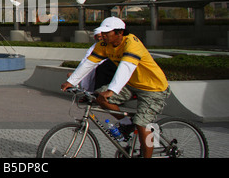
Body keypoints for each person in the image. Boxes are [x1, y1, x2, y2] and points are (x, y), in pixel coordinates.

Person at [61, 17, 170, 158]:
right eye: (103, 33)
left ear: (119, 33)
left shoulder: (132, 43)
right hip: (131, 85)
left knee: (143, 124)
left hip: (153, 88)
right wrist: (71, 81)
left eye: (107, 33)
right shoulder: (104, 44)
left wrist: (111, 90)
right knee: (99, 97)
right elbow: (89, 63)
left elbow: (125, 68)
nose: (104, 36)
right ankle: (127, 124)